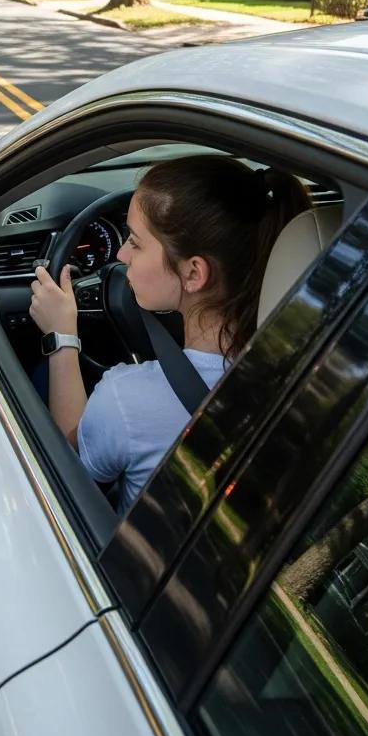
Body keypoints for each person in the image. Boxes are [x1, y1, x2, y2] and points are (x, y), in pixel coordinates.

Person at [29, 154, 312, 516]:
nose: (120, 253)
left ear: (194, 273)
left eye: (135, 241)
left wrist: (61, 338)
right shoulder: (310, 372)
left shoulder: (127, 400)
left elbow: (71, 465)